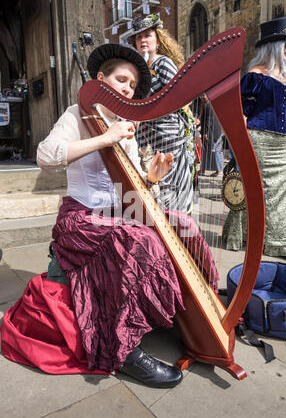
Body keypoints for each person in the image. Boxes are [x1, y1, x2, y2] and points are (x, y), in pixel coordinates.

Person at [1, 43, 219, 388]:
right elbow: (46, 156)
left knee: (183, 223)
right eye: (121, 80)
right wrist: (105, 138)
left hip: (117, 211)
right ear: (100, 80)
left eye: (132, 86)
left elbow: (128, 188)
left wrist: (151, 178)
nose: (127, 89)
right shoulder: (76, 114)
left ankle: (195, 308)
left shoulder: (125, 126)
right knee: (143, 241)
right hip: (81, 219)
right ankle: (126, 349)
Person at [222, 16, 286, 256]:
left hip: (284, 145)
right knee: (251, 190)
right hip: (258, 141)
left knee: (282, 195)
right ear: (273, 47)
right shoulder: (254, 76)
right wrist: (240, 146)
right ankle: (241, 238)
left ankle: (278, 243)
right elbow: (240, 112)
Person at [130, 13, 195, 213]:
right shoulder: (139, 70)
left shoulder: (163, 63)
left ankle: (175, 227)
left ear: (157, 40)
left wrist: (148, 112)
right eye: (139, 37)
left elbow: (179, 97)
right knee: (155, 185)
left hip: (169, 138)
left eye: (147, 35)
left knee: (169, 187)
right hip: (147, 138)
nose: (143, 40)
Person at [199, 94, 224, 177]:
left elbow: (208, 120)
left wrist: (205, 132)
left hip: (210, 133)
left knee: (206, 152)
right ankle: (219, 171)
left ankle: (203, 170)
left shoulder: (208, 106)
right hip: (218, 132)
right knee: (218, 151)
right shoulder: (216, 105)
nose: (201, 97)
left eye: (203, 96)